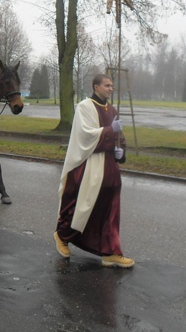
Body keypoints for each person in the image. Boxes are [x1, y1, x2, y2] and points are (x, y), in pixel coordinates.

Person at [53, 74, 133, 268]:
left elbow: (118, 136)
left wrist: (120, 151)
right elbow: (85, 136)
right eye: (107, 85)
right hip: (89, 165)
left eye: (112, 85)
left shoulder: (112, 109)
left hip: (109, 167)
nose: (110, 88)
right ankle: (62, 235)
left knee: (109, 210)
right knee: (83, 205)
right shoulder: (85, 107)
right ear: (96, 87)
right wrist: (108, 131)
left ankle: (110, 251)